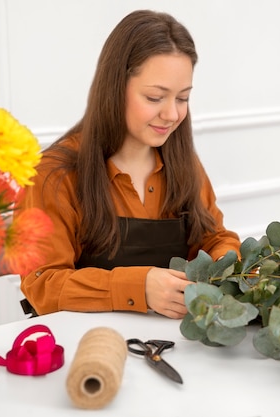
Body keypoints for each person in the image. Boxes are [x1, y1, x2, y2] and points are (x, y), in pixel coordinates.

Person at [18, 9, 241, 319]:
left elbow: (216, 237)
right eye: (154, 97)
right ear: (115, 88)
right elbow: (43, 286)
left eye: (182, 98)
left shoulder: (183, 163)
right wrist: (139, 288)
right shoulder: (54, 175)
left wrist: (222, 269)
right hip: (88, 348)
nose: (173, 114)